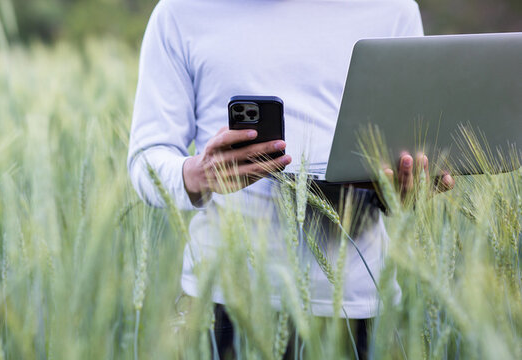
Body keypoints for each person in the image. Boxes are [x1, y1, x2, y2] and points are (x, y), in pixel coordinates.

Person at [126, 0, 455, 358]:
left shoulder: (392, 9)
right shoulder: (180, 12)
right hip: (222, 302)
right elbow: (146, 159)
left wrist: (403, 186)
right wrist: (196, 174)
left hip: (355, 306)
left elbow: (404, 149)